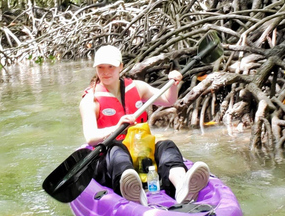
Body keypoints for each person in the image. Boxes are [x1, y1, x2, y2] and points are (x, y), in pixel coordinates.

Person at [80, 44, 210, 206]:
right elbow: (91, 138)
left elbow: (169, 100)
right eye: (101, 67)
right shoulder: (90, 100)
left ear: (121, 66)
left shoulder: (137, 87)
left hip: (140, 152)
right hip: (109, 158)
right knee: (117, 151)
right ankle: (132, 192)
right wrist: (117, 127)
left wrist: (174, 84)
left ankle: (182, 185)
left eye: (111, 67)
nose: (105, 72)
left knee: (166, 145)